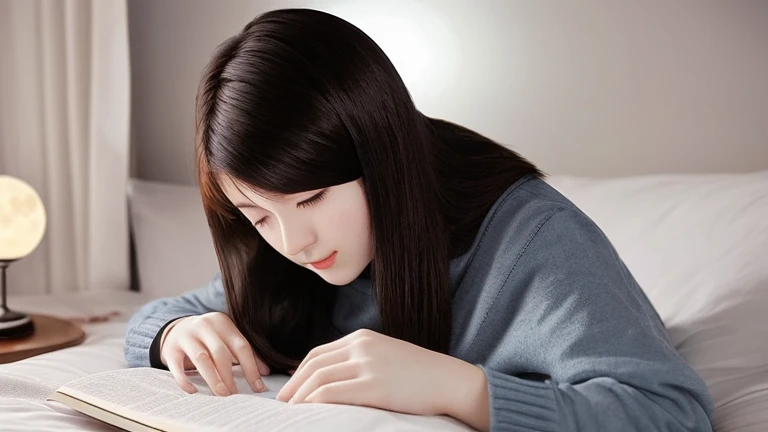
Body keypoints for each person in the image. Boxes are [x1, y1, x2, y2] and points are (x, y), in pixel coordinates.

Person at [125, 8, 713, 431]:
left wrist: (457, 387)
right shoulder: (295, 252)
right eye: (256, 216)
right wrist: (175, 332)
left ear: (381, 157)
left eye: (312, 199)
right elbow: (166, 315)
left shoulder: (532, 238)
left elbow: (671, 412)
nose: (293, 242)